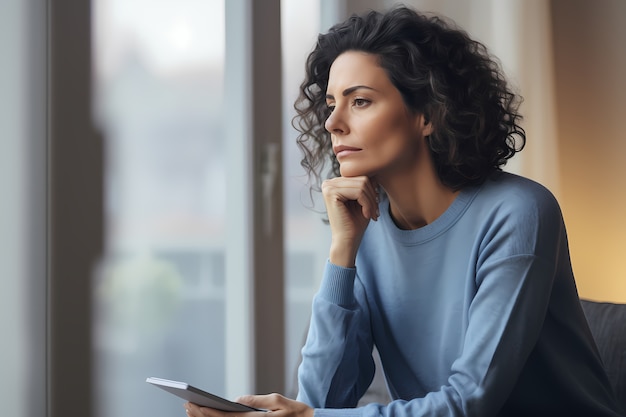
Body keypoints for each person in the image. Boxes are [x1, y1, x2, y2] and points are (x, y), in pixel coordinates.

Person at [184, 5, 625, 417]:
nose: (333, 122)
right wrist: (342, 250)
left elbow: (470, 402)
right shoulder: (366, 227)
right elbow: (324, 398)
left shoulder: (518, 213)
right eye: (332, 104)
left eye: (359, 101)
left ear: (428, 113)